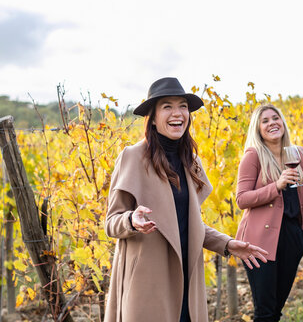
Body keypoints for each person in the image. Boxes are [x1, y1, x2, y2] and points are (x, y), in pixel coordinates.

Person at [104, 77, 268, 322]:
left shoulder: (190, 161)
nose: (177, 113)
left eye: (182, 106)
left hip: (187, 277)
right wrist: (131, 220)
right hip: (148, 281)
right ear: (153, 116)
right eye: (167, 106)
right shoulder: (133, 157)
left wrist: (227, 244)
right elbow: (111, 223)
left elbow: (185, 223)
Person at [235, 104, 303, 322]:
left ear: (282, 122)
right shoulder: (253, 156)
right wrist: (276, 186)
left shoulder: (300, 154)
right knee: (265, 311)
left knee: (276, 309)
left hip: (292, 238)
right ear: (258, 129)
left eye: (276, 118)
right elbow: (242, 199)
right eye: (265, 121)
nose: (272, 123)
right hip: (258, 241)